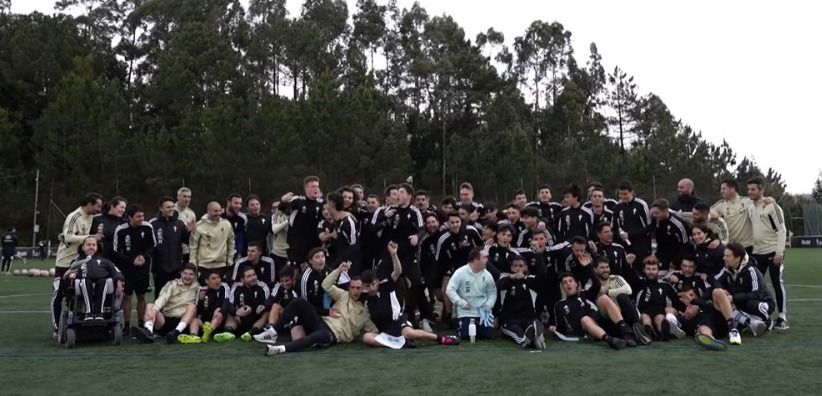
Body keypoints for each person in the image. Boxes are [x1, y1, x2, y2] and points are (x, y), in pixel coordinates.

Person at [261, 263, 376, 355]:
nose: (355, 291)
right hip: (322, 322)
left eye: (358, 288)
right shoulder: (343, 294)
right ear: (349, 288)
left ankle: (280, 349)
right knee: (299, 302)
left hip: (333, 335)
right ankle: (273, 331)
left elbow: (375, 332)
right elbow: (326, 285)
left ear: (363, 289)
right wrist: (339, 270)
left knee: (320, 335)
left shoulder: (365, 314)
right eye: (353, 287)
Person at [361, 242, 460, 349]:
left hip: (398, 321)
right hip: (385, 330)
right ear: (364, 286)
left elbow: (397, 272)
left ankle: (440, 338)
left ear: (377, 281)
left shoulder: (385, 285)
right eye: (368, 286)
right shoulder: (365, 297)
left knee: (408, 333)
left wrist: (394, 255)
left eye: (373, 284)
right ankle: (403, 343)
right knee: (367, 338)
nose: (371, 288)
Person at [52, 193, 103, 336]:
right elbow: (68, 236)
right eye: (97, 206)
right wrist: (90, 237)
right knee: (59, 295)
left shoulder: (91, 217)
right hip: (65, 262)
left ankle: (79, 323)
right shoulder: (74, 217)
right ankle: (56, 328)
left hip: (80, 261)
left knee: (78, 292)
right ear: (89, 204)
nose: (99, 209)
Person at [747, 177, 789, 330]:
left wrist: (779, 252)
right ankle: (760, 315)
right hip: (757, 253)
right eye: (749, 189)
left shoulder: (772, 207)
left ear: (761, 190)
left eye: (753, 189)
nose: (750, 192)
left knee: (777, 283)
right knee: (755, 286)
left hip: (773, 252)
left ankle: (782, 317)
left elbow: (781, 230)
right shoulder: (751, 207)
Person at [550, 272, 629, 350]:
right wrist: (554, 329)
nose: (568, 284)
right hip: (589, 329)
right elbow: (561, 329)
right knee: (585, 319)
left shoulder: (585, 294)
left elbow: (597, 285)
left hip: (602, 321)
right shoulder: (559, 305)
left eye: (570, 281)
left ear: (576, 284)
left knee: (604, 298)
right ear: (562, 286)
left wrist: (588, 267)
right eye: (565, 282)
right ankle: (611, 341)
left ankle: (626, 332)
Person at [713, 243, 773, 339]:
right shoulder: (727, 269)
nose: (724, 258)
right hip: (741, 303)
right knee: (721, 302)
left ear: (738, 258)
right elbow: (715, 281)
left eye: (727, 256)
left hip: (762, 302)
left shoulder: (751, 270)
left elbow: (757, 294)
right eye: (724, 255)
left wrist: (733, 297)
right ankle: (750, 322)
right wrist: (722, 290)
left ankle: (767, 321)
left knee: (750, 304)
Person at [113, 204, 156, 333]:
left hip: (143, 268)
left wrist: (144, 256)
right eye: (138, 216)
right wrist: (132, 261)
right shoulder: (121, 230)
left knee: (141, 296)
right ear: (130, 217)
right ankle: (126, 326)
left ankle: (141, 324)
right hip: (127, 268)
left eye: (142, 215)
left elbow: (153, 246)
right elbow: (116, 250)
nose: (141, 218)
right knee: (127, 297)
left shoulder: (148, 227)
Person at [132, 263, 200, 344]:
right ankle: (148, 332)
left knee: (192, 307)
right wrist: (155, 309)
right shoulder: (172, 284)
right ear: (181, 273)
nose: (187, 276)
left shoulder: (198, 288)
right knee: (150, 306)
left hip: (184, 322)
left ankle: (176, 332)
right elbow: (163, 298)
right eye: (185, 273)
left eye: (191, 274)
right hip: (166, 321)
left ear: (195, 275)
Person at [592, 256, 650, 345]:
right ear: (595, 270)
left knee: (622, 297)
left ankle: (638, 329)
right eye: (602, 267)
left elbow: (628, 290)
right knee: (604, 300)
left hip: (625, 316)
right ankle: (633, 333)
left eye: (607, 267)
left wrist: (609, 292)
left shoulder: (615, 278)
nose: (606, 270)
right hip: (608, 320)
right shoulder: (593, 283)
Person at [63, 236, 124, 320]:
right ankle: (89, 313)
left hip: (102, 282)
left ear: (97, 247)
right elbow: (70, 275)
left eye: (93, 245)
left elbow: (116, 272)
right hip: (84, 282)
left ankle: (99, 313)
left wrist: (119, 282)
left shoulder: (105, 261)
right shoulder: (77, 261)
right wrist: (69, 275)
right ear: (83, 247)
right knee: (85, 281)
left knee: (104, 281)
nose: (91, 247)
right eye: (88, 245)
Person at [436, 212, 482, 320]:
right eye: (452, 222)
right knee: (446, 290)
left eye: (457, 222)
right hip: (452, 269)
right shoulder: (443, 239)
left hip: (472, 268)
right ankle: (448, 316)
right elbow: (439, 260)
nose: (455, 225)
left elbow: (481, 246)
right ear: (448, 223)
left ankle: (474, 315)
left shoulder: (471, 231)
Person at [445, 247, 497, 341]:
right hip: (466, 312)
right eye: (484, 258)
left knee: (487, 336)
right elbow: (450, 290)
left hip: (483, 313)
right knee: (466, 335)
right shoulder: (460, 273)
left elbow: (492, 292)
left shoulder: (487, 275)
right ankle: (460, 325)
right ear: (475, 260)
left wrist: (489, 305)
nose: (487, 260)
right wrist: (461, 302)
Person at [497, 255, 547, 349]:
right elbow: (498, 285)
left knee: (533, 324)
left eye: (521, 266)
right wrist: (512, 277)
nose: (518, 268)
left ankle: (533, 332)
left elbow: (542, 276)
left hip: (528, 318)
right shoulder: (505, 279)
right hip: (509, 321)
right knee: (516, 331)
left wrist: (539, 256)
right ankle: (526, 340)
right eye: (515, 266)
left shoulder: (530, 279)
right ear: (511, 267)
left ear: (526, 267)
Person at [214, 265, 271, 342]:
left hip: (257, 318)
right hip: (242, 319)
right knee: (230, 314)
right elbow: (229, 304)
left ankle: (251, 333)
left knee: (266, 313)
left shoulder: (262, 286)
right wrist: (236, 312)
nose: (253, 278)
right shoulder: (236, 287)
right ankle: (228, 332)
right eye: (249, 276)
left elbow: (268, 302)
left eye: (254, 274)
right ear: (242, 279)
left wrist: (260, 307)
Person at [635, 256, 687, 341]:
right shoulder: (639, 284)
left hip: (660, 313)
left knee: (660, 319)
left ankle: (664, 332)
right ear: (644, 270)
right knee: (645, 318)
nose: (651, 272)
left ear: (658, 270)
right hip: (644, 312)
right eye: (648, 269)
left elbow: (677, 301)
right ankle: (648, 332)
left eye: (653, 269)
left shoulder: (665, 285)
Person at [150, 196, 188, 298]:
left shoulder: (179, 223)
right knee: (160, 295)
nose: (171, 209)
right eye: (168, 207)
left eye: (172, 206)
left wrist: (189, 232)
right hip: (160, 268)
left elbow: (187, 241)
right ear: (161, 209)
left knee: (176, 295)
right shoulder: (153, 224)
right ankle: (159, 313)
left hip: (176, 267)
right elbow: (149, 245)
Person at [189, 201, 235, 284]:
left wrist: (230, 259)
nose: (218, 213)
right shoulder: (199, 226)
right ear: (208, 211)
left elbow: (231, 242)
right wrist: (193, 264)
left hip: (222, 265)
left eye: (219, 211)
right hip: (204, 265)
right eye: (215, 211)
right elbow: (193, 246)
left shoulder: (226, 224)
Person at [282, 176, 324, 267]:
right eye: (313, 186)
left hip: (314, 246)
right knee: (295, 272)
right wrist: (283, 200)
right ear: (306, 188)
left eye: (317, 186)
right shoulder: (298, 201)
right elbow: (282, 209)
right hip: (297, 246)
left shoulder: (321, 204)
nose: (316, 189)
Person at [254, 266, 300, 343]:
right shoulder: (279, 286)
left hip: (297, 315)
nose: (284, 283)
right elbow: (272, 298)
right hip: (284, 315)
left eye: (287, 280)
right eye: (282, 281)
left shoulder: (298, 286)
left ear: (292, 279)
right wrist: (264, 306)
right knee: (273, 308)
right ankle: (269, 331)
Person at [614, 181, 652, 265]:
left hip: (640, 247)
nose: (622, 197)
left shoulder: (641, 205)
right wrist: (620, 235)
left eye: (625, 194)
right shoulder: (617, 207)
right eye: (620, 194)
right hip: (624, 247)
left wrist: (630, 234)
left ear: (631, 192)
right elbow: (616, 227)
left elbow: (649, 228)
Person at [711, 179, 755, 252]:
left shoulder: (747, 201)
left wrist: (771, 199)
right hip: (731, 246)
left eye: (724, 188)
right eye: (721, 189)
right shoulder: (721, 204)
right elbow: (707, 212)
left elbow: (762, 201)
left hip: (748, 246)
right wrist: (713, 214)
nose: (721, 191)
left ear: (732, 189)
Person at [325, 191, 360, 273]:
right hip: (338, 265)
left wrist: (341, 263)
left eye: (327, 203)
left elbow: (354, 246)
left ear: (332, 204)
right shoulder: (337, 222)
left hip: (347, 268)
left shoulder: (347, 222)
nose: (326, 206)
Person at [650, 199, 690, 271]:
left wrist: (676, 261)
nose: (654, 215)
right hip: (661, 254)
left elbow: (685, 244)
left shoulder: (678, 224)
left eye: (657, 213)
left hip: (676, 256)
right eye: (653, 213)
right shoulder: (655, 219)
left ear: (665, 211)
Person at [192, 271, 231, 343]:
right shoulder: (202, 290)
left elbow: (226, 303)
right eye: (213, 278)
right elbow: (199, 311)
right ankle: (193, 337)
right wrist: (201, 300)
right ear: (207, 281)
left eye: (218, 277)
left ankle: (208, 333)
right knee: (195, 320)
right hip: (205, 323)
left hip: (218, 321)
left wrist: (220, 312)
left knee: (218, 310)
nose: (217, 280)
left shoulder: (224, 287)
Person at [89, 196, 127, 262]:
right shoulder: (96, 219)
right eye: (121, 207)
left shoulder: (124, 222)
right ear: (112, 206)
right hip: (97, 258)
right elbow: (87, 235)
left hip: (117, 260)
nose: (123, 210)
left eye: (124, 208)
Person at [298, 247, 331, 315]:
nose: (321, 260)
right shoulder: (305, 277)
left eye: (322, 256)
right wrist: (325, 312)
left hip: (329, 309)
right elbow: (304, 305)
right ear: (310, 261)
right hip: (311, 313)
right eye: (317, 257)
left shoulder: (329, 271)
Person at [174, 187, 196, 261]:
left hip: (187, 251)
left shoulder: (191, 213)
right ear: (178, 197)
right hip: (174, 250)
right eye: (184, 196)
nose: (187, 199)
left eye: (189, 197)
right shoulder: (171, 210)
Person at [223, 193, 247, 258]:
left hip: (233, 254)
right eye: (236, 203)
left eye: (240, 203)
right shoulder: (219, 215)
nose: (239, 206)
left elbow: (240, 238)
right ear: (228, 203)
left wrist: (239, 254)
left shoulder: (241, 218)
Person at [269, 200, 289, 274]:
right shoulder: (273, 217)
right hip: (277, 253)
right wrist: (286, 222)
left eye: (279, 207)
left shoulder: (288, 217)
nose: (277, 210)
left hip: (289, 252)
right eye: (274, 208)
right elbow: (274, 230)